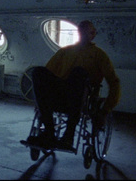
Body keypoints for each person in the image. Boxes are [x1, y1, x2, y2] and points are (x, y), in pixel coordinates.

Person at [29, 20, 121, 150]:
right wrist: (38, 102)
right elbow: (49, 72)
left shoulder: (99, 55)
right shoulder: (65, 51)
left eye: (87, 32)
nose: (83, 35)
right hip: (60, 93)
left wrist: (105, 110)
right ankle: (49, 132)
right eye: (81, 32)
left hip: (81, 97)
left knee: (78, 73)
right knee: (38, 72)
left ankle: (69, 135)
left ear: (93, 34)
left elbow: (114, 82)